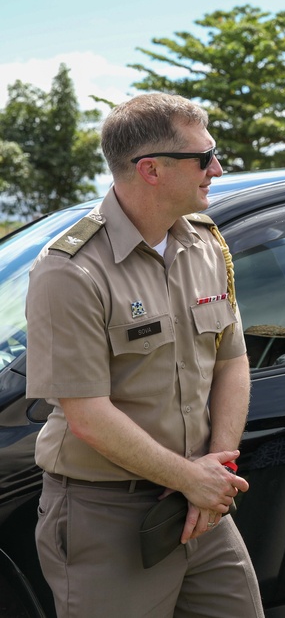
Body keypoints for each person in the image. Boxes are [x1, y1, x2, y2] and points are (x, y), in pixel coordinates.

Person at [26, 93, 264, 616]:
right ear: (151, 169)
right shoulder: (70, 271)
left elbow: (231, 359)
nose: (216, 169)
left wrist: (215, 470)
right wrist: (192, 479)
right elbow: (87, 415)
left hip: (201, 503)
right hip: (106, 515)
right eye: (204, 158)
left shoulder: (206, 245)